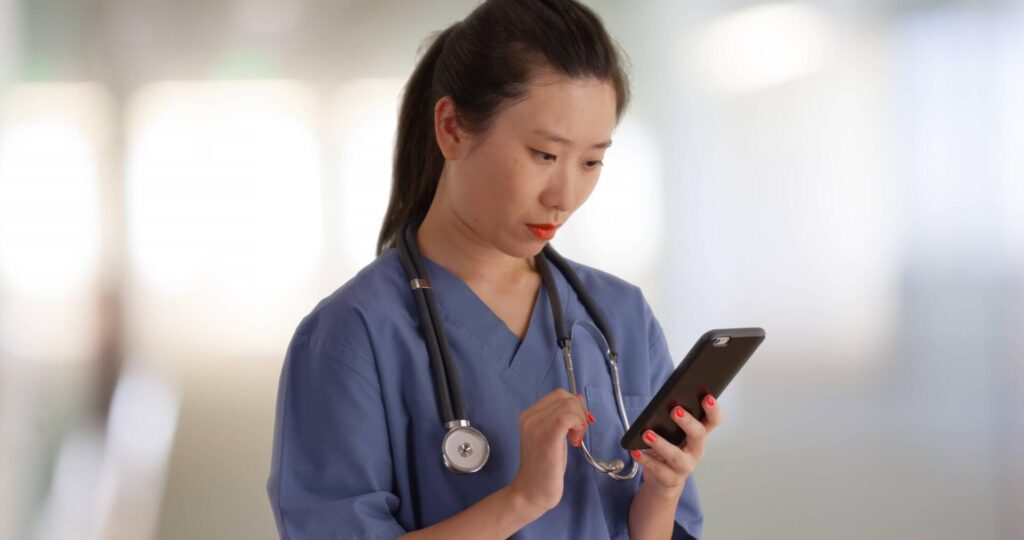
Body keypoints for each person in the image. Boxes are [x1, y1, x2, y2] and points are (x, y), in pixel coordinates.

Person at [267, 1, 723, 538]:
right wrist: (521, 500)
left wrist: (663, 491)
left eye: (592, 161)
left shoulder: (621, 319)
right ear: (452, 129)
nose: (566, 195)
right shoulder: (352, 335)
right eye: (544, 155)